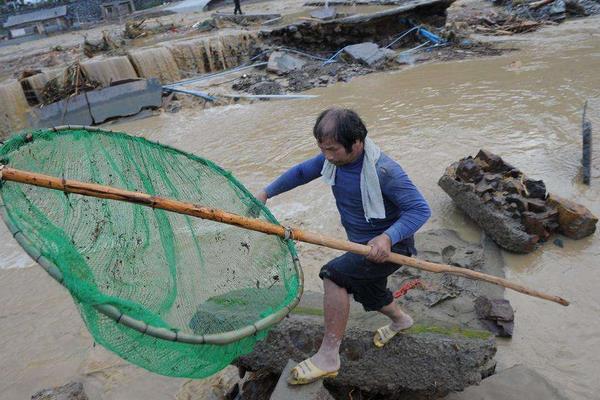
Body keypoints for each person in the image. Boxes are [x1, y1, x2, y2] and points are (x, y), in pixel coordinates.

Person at [256, 108, 431, 385]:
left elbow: (420, 210)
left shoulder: (385, 171)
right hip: (360, 247)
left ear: (357, 142)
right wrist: (266, 192)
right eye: (322, 149)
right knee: (371, 296)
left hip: (391, 249)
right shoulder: (332, 162)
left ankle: (328, 356)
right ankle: (401, 321)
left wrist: (387, 237)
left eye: (333, 149)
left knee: (334, 276)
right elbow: (301, 172)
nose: (327, 156)